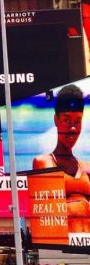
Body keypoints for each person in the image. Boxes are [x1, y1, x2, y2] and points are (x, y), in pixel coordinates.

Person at [33, 84, 90, 232]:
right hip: (61, 246)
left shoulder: (87, 167)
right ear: (56, 120)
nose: (72, 128)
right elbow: (46, 213)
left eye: (77, 121)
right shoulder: (44, 163)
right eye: (67, 120)